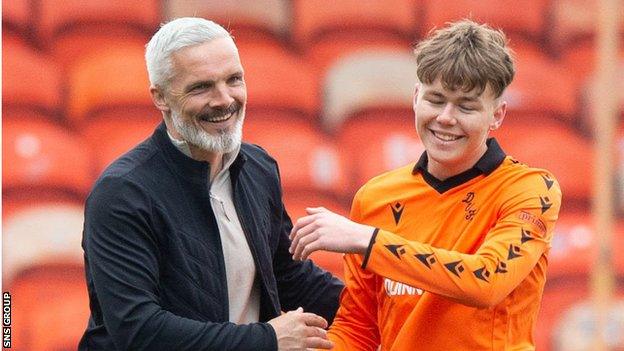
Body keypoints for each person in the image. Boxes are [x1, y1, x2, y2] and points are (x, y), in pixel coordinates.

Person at [289, 19, 562, 350]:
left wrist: (368, 240)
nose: (446, 117)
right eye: (436, 99)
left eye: (466, 106)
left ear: (497, 115)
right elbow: (359, 327)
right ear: (416, 97)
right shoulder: (375, 197)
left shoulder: (531, 190)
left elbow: (486, 281)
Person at [79, 17, 343, 351]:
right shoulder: (122, 194)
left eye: (233, 79)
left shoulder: (258, 168)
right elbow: (138, 330)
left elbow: (286, 276)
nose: (224, 100)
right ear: (160, 97)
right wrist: (267, 339)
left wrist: (387, 304)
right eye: (201, 87)